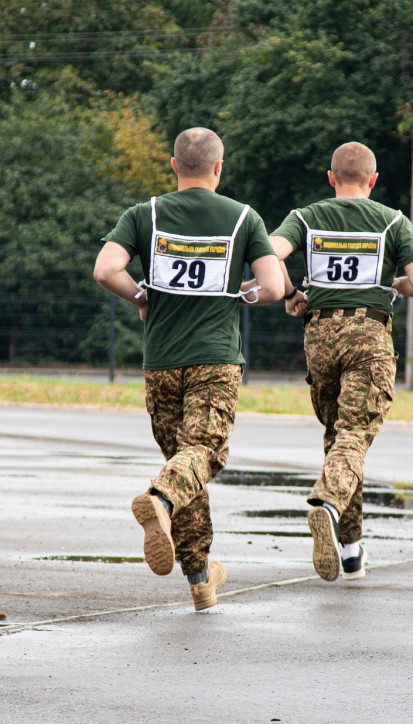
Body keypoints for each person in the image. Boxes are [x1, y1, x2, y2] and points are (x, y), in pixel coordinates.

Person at [93, 127, 287, 611]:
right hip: (215, 357)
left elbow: (104, 270)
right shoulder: (243, 218)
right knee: (203, 454)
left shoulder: (145, 214)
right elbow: (273, 287)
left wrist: (141, 296)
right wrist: (240, 293)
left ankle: (201, 579)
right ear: (218, 168)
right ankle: (157, 497)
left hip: (161, 361)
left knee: (186, 466)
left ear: (174, 165)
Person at [269, 142, 413, 583]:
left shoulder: (306, 217)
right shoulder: (392, 221)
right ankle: (326, 501)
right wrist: (391, 283)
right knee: (354, 437)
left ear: (331, 178)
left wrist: (291, 294)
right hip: (368, 335)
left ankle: (351, 549)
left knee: (339, 439)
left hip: (320, 335)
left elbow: (269, 253)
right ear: (373, 180)